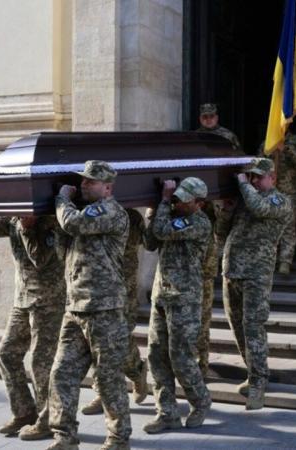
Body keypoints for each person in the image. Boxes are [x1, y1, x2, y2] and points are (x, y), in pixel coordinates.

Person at [46, 160, 131, 450]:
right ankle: (64, 436)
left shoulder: (110, 211)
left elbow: (73, 223)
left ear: (107, 187)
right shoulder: (84, 211)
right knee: (61, 373)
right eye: (82, 180)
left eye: (90, 181)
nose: (83, 184)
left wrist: (61, 199)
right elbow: (65, 243)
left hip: (104, 308)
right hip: (76, 307)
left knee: (108, 378)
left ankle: (118, 438)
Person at [0, 215, 66, 441]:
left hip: (48, 300)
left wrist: (27, 227)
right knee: (6, 354)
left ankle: (47, 421)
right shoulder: (13, 218)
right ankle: (24, 412)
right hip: (22, 299)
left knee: (41, 363)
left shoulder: (51, 221)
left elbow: (39, 258)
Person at [217, 158, 292, 409]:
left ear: (273, 178)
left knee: (253, 326)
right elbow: (221, 231)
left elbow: (260, 209)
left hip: (256, 273)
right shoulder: (245, 199)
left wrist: (242, 184)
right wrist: (227, 210)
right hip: (232, 270)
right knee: (237, 326)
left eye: (260, 176)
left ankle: (259, 383)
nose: (255, 180)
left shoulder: (279, 201)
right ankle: (252, 373)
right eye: (252, 176)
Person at [141, 177, 213, 433]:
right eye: (176, 199)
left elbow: (163, 231)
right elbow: (150, 242)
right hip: (162, 295)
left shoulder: (199, 222)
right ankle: (167, 413)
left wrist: (162, 201)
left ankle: (201, 401)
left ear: (199, 204)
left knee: (181, 358)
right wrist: (153, 211)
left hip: (184, 298)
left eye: (183, 201)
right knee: (156, 356)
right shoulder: (170, 215)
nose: (178, 203)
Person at [80, 209, 150, 415]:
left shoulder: (131, 216)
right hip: (95, 286)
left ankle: (137, 371)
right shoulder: (90, 212)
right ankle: (102, 392)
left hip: (123, 287)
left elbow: (146, 243)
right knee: (97, 339)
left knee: (120, 338)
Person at [259, 131, 296, 275]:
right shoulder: (268, 141)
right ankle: (270, 260)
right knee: (268, 226)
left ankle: (285, 261)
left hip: (289, 192)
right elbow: (258, 165)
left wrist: (285, 149)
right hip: (269, 192)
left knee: (288, 227)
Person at [197, 200, 219, 378]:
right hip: (188, 277)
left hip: (204, 277)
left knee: (202, 324)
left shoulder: (207, 218)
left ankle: (201, 365)